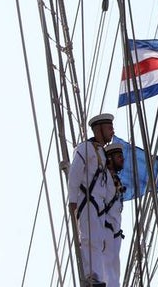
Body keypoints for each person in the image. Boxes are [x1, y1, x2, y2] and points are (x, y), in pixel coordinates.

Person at [68, 114, 116, 286]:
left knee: (97, 241)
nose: (112, 132)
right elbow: (75, 173)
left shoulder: (101, 154)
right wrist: (72, 200)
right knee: (88, 239)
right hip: (87, 202)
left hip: (99, 205)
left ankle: (96, 277)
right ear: (99, 129)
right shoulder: (85, 148)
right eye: (109, 128)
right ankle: (90, 275)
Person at [99, 143, 126, 287]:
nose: (122, 159)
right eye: (118, 156)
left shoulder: (116, 180)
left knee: (114, 271)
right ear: (109, 159)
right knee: (106, 269)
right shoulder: (102, 178)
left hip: (115, 232)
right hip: (105, 229)